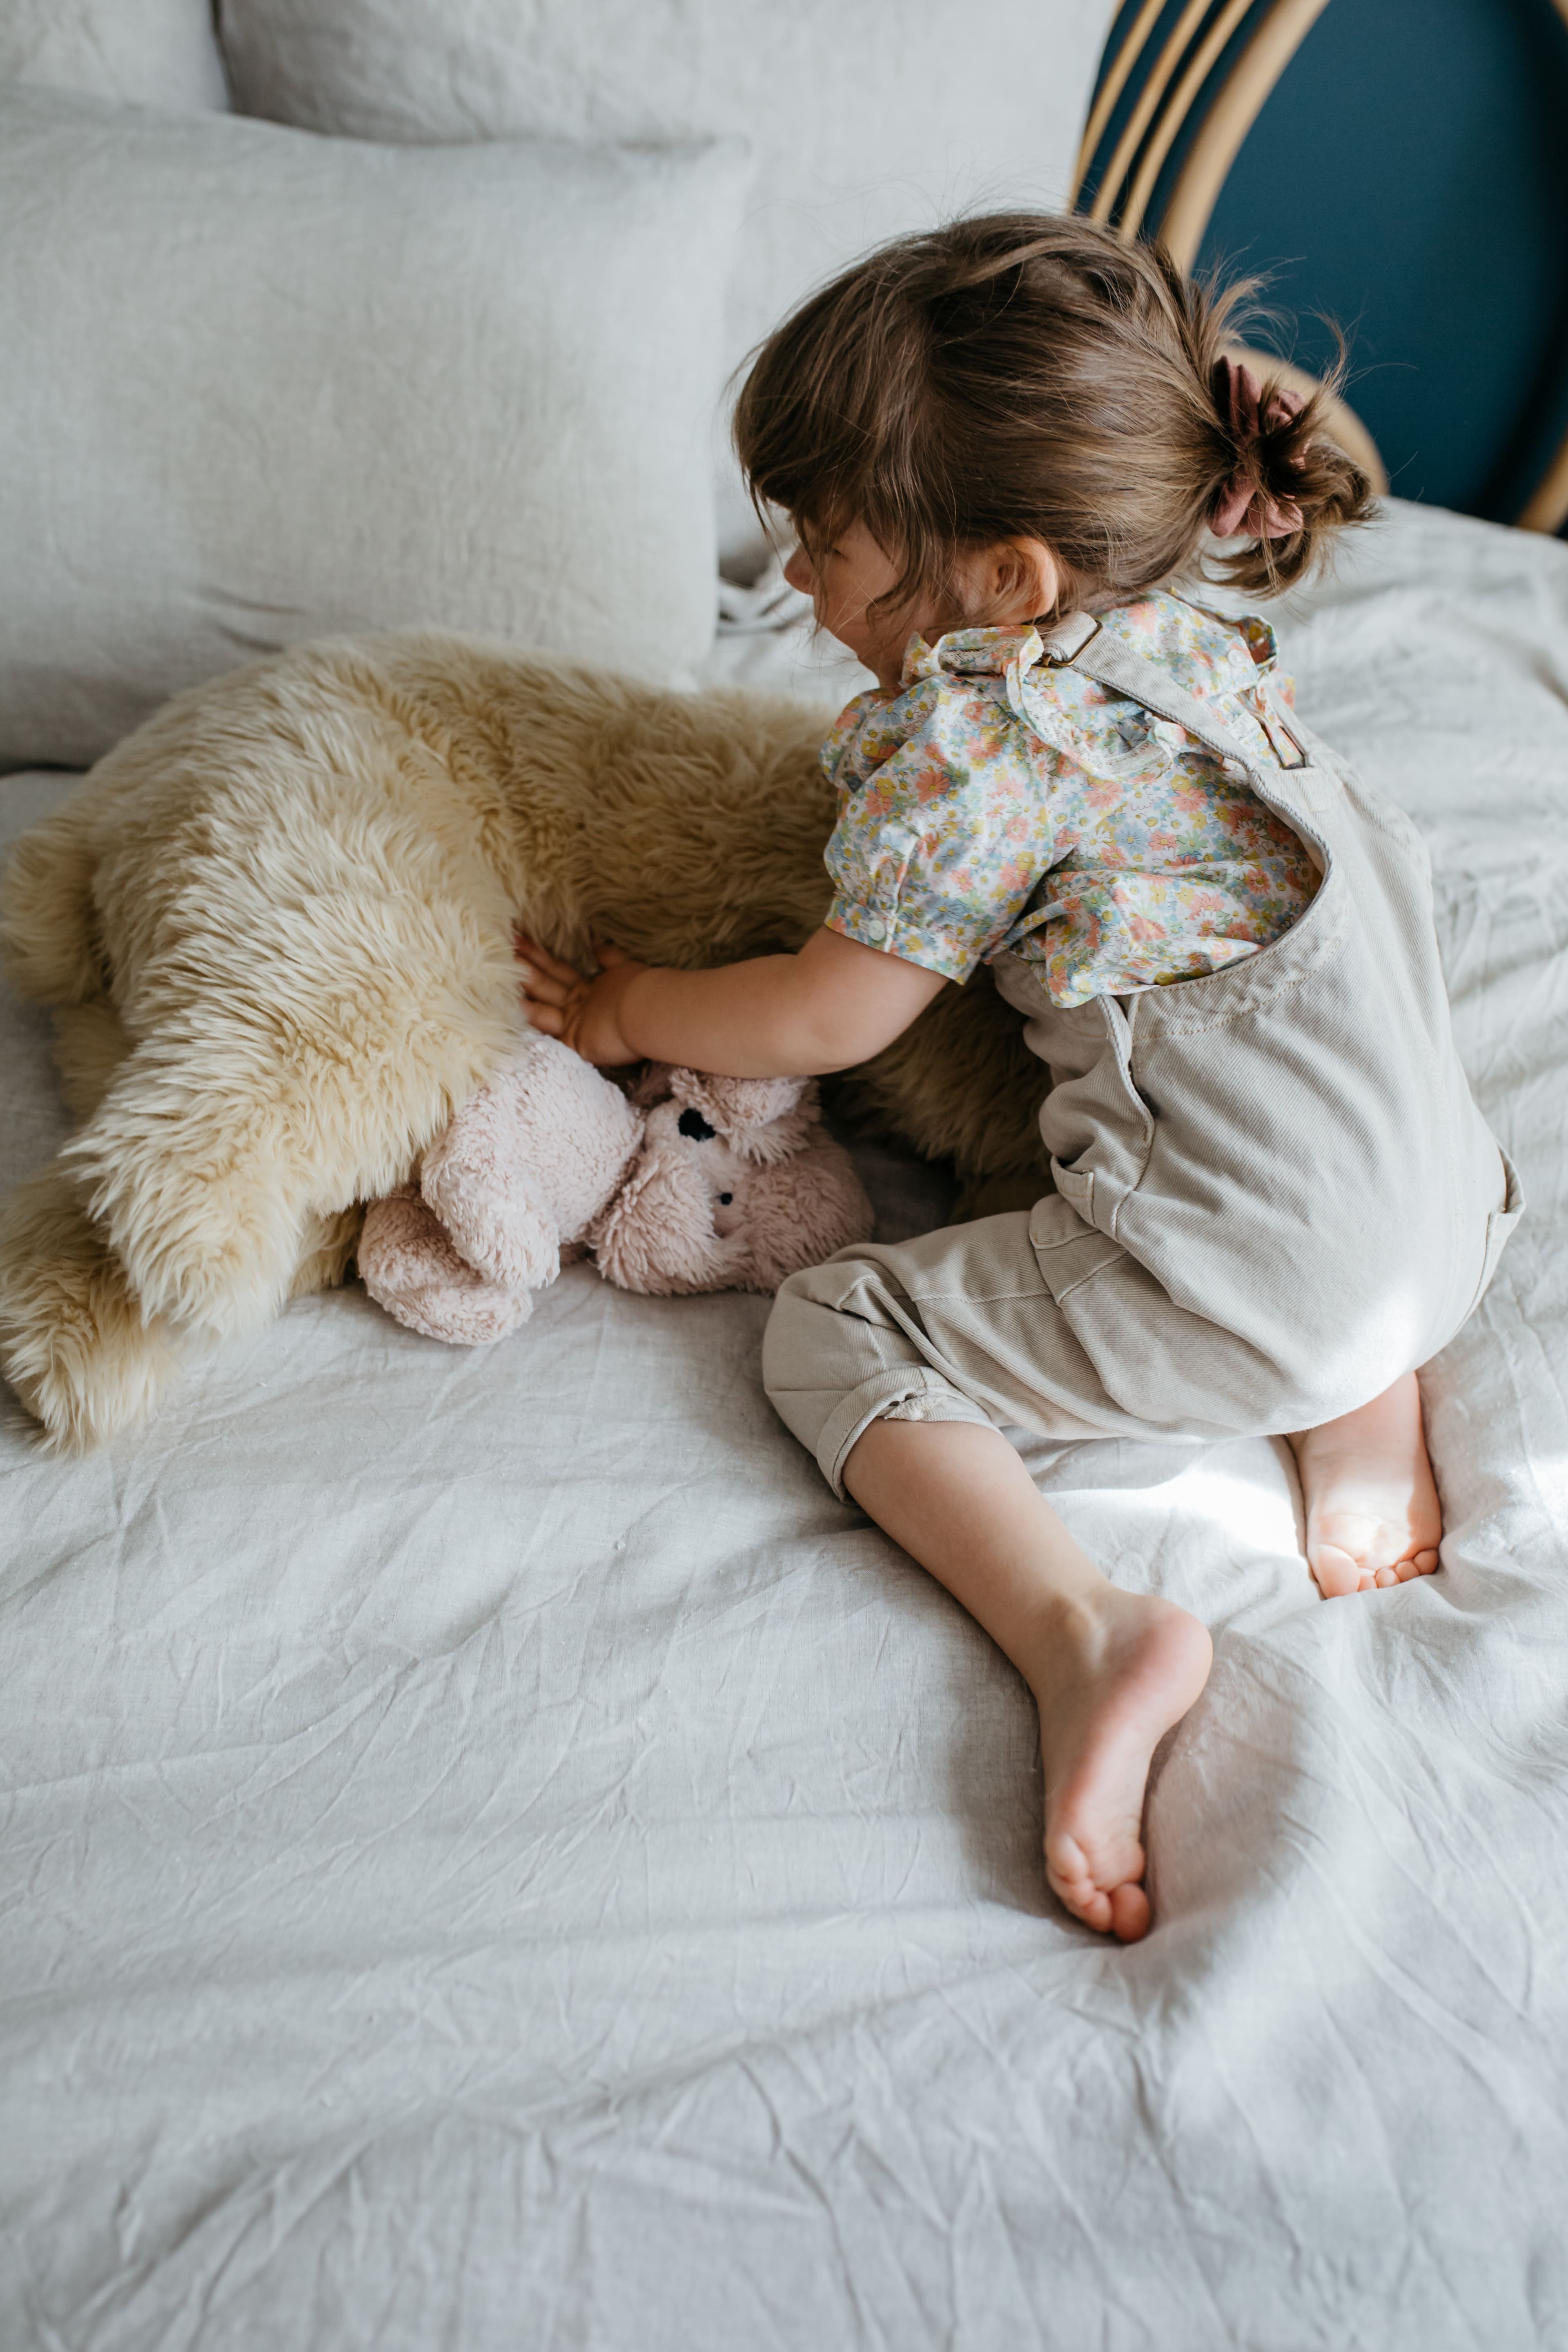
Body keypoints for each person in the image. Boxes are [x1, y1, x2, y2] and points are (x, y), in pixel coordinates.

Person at [514, 214, 1519, 1943]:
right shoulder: (1205, 648)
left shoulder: (981, 737)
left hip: (1262, 1268)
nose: (794, 590)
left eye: (820, 544)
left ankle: (1087, 1633)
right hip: (1444, 1209)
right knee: (1331, 1099)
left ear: (1005, 584)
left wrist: (624, 1015)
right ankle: (1366, 1405)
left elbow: (834, 1014)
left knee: (837, 1331)